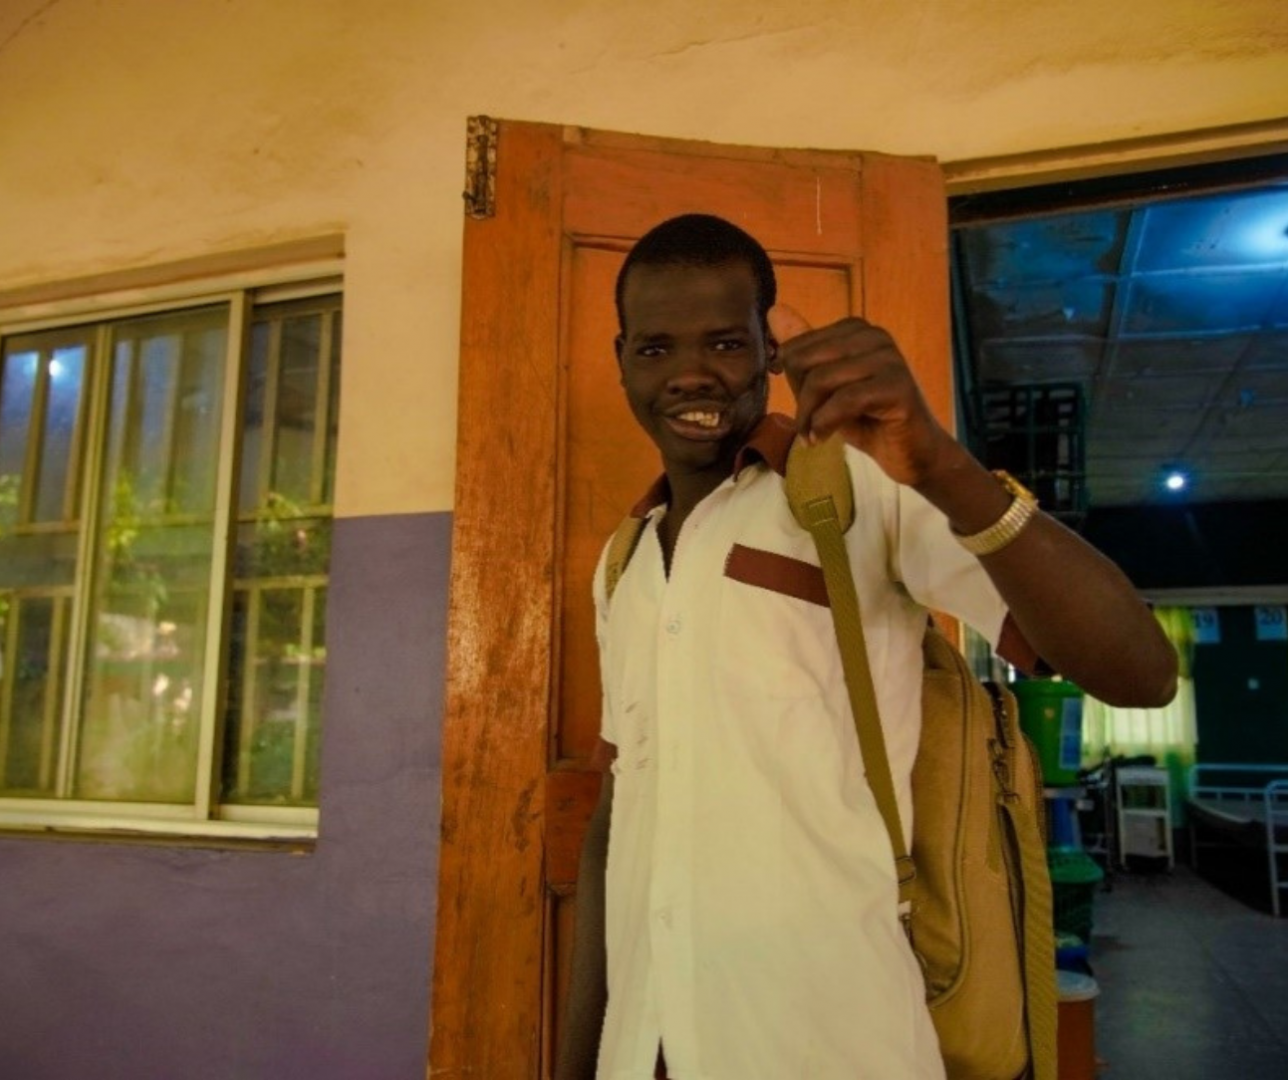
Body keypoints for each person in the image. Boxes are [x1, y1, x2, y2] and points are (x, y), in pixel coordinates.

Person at [555, 214, 1177, 1080]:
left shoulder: (856, 487)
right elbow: (615, 819)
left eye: (726, 342)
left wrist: (940, 467)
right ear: (622, 358)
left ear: (772, 352)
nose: (691, 373)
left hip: (833, 1043)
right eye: (656, 349)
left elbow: (1141, 672)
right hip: (643, 1052)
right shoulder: (621, 565)